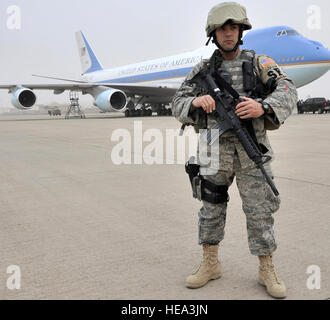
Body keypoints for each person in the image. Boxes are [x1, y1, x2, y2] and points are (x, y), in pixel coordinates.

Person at [172, 2, 298, 299]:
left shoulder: (259, 63)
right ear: (213, 34)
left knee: (260, 211)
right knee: (211, 209)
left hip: (252, 149)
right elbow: (177, 101)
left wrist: (262, 106)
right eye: (222, 29)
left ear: (241, 31)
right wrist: (194, 103)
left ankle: (266, 267)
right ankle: (211, 263)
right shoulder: (203, 70)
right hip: (214, 152)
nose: (228, 33)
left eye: (233, 28)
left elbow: (288, 88)